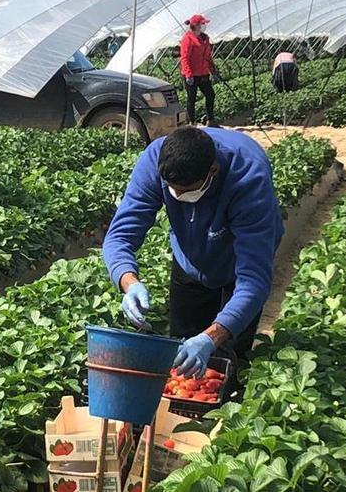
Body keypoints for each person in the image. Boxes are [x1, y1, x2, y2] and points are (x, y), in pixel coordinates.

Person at [102, 126, 284, 380]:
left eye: (187, 190)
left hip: (237, 261)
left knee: (229, 357)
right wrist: (128, 281)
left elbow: (253, 280)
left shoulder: (248, 178)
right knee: (181, 355)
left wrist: (212, 338)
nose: (178, 195)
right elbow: (120, 235)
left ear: (213, 171)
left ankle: (227, 403)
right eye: (172, 189)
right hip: (190, 258)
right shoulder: (156, 161)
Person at [180, 14, 221, 127]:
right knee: (191, 98)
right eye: (202, 24)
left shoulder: (205, 38)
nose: (204, 26)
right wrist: (188, 74)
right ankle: (192, 122)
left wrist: (213, 71)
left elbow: (208, 56)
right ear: (196, 25)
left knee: (210, 94)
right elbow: (185, 58)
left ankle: (210, 120)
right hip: (192, 74)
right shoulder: (187, 39)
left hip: (203, 73)